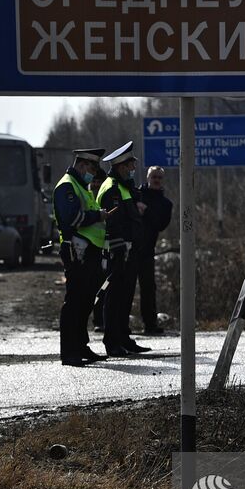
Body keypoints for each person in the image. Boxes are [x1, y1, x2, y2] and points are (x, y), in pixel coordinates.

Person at [53, 148, 108, 366]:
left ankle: (80, 345)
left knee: (85, 301)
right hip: (76, 251)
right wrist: (98, 215)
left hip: (88, 250)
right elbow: (72, 218)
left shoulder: (80, 186)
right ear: (83, 165)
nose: (93, 175)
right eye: (92, 169)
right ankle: (69, 352)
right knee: (74, 302)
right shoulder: (67, 185)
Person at [97, 143, 150, 356]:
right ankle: (112, 342)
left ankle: (123, 338)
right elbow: (113, 223)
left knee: (126, 296)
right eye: (130, 165)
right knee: (115, 297)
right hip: (118, 251)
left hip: (129, 250)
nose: (133, 169)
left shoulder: (124, 187)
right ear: (120, 166)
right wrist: (122, 248)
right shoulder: (112, 188)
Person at [134, 165, 173, 335]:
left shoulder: (165, 204)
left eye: (159, 177)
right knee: (123, 288)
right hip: (130, 248)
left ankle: (150, 325)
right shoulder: (136, 195)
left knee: (149, 288)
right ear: (148, 178)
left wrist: (147, 211)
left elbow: (160, 224)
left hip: (148, 251)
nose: (156, 180)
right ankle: (118, 326)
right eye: (153, 177)